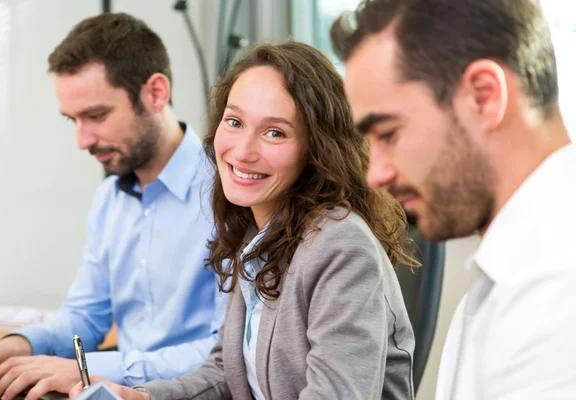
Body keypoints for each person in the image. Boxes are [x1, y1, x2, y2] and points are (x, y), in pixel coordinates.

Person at [70, 41, 417, 400]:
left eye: (274, 132)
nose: (243, 151)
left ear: (317, 149)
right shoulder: (259, 232)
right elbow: (226, 372)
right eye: (234, 122)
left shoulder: (341, 246)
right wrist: (139, 397)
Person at [332, 0, 576, 398]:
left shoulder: (559, 291)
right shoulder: (512, 273)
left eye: (388, 133)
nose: (375, 174)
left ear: (483, 96)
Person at [0, 12, 225, 400]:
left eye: (96, 115)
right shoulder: (109, 200)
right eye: (72, 119)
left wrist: (89, 368)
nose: (83, 140)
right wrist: (22, 343)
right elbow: (86, 315)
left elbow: (224, 354)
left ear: (156, 93)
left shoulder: (229, 193)